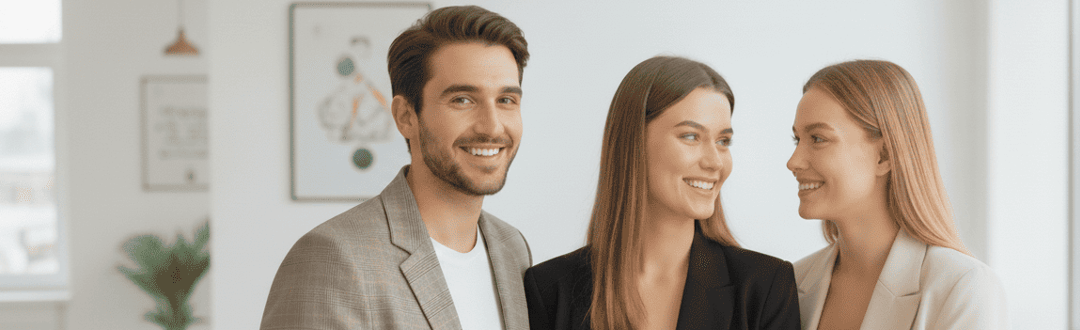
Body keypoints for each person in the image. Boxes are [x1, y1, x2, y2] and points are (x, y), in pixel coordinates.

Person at [260, 5, 533, 329]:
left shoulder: (511, 248)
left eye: (506, 100)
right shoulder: (332, 259)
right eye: (462, 99)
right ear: (406, 116)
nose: (492, 126)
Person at [523, 56, 801, 330]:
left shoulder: (764, 287)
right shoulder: (550, 290)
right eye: (691, 136)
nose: (715, 161)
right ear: (633, 142)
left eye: (723, 141)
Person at [786, 60, 1008, 330]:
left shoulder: (962, 287)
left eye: (818, 139)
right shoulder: (791, 284)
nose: (794, 161)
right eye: (797, 139)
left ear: (884, 155)